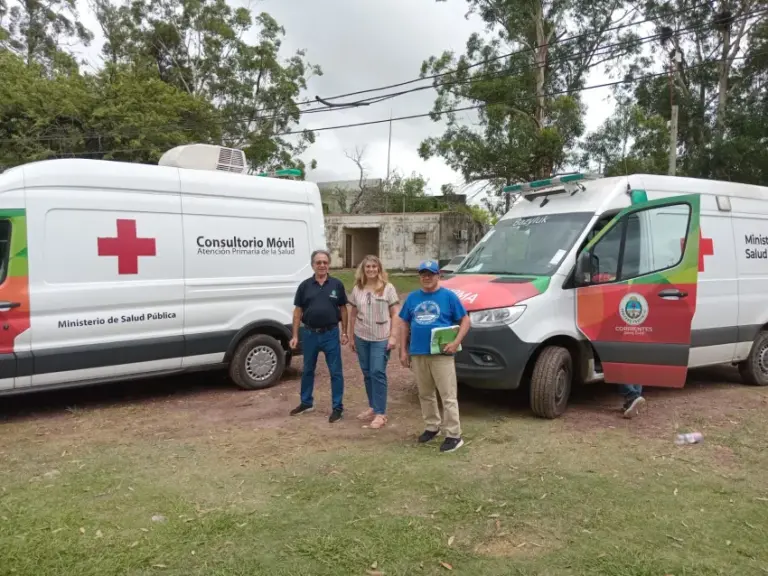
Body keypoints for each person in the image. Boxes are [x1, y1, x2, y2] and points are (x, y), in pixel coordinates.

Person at [398, 259, 470, 453]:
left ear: (439, 275)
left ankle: (454, 435)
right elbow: (404, 323)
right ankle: (432, 427)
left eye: (431, 274)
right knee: (425, 393)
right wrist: (403, 350)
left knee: (447, 395)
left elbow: (465, 320)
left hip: (441, 354)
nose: (427, 277)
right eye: (423, 274)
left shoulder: (448, 296)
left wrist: (455, 343)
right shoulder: (413, 298)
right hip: (418, 352)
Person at [289, 249, 349, 423]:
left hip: (331, 334)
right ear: (313, 265)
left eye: (325, 262)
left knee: (336, 372)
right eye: (318, 262)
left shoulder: (336, 285)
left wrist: (344, 332)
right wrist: (294, 335)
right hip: (309, 334)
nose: (322, 265)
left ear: (328, 264)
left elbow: (343, 309)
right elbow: (298, 311)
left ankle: (338, 408)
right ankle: (306, 403)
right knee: (307, 370)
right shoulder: (304, 286)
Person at [348, 255, 400, 429]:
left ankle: (381, 413)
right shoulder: (358, 288)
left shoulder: (387, 288)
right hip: (362, 336)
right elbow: (353, 314)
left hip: (381, 337)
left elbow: (395, 313)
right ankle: (373, 407)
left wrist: (393, 336)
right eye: (367, 267)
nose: (371, 269)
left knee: (378, 372)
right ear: (363, 269)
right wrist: (351, 336)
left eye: (374, 266)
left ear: (379, 269)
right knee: (367, 372)